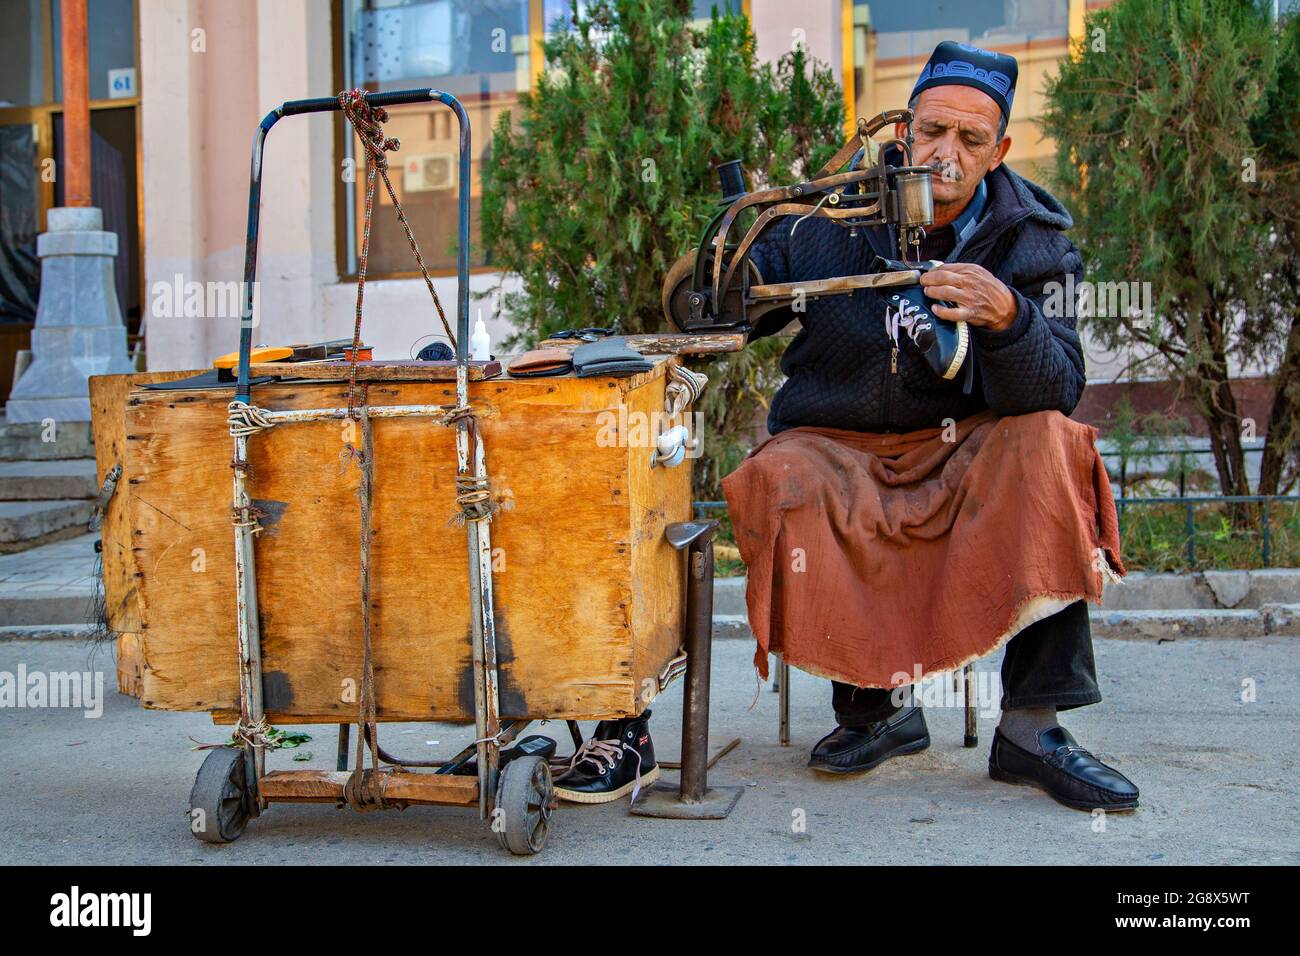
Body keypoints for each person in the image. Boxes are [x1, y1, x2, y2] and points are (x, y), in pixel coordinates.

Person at [722, 41, 1139, 812]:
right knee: (787, 474)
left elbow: (1061, 388)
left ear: (1000, 150)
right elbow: (725, 312)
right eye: (933, 132)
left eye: (971, 140)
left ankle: (1031, 729)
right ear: (904, 128)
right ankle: (876, 713)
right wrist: (732, 255)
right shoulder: (830, 214)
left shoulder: (1034, 238)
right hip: (836, 444)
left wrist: (1009, 317)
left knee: (1051, 444)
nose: (946, 155)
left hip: (963, 454)